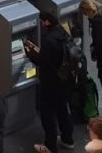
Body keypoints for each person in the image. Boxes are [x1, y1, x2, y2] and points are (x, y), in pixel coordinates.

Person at [26, 9, 75, 153]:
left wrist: (30, 53)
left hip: (51, 84)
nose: (40, 25)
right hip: (65, 80)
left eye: (41, 22)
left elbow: (42, 61)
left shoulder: (48, 40)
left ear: (47, 22)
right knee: (63, 111)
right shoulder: (63, 32)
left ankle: (50, 146)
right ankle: (68, 140)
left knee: (48, 115)